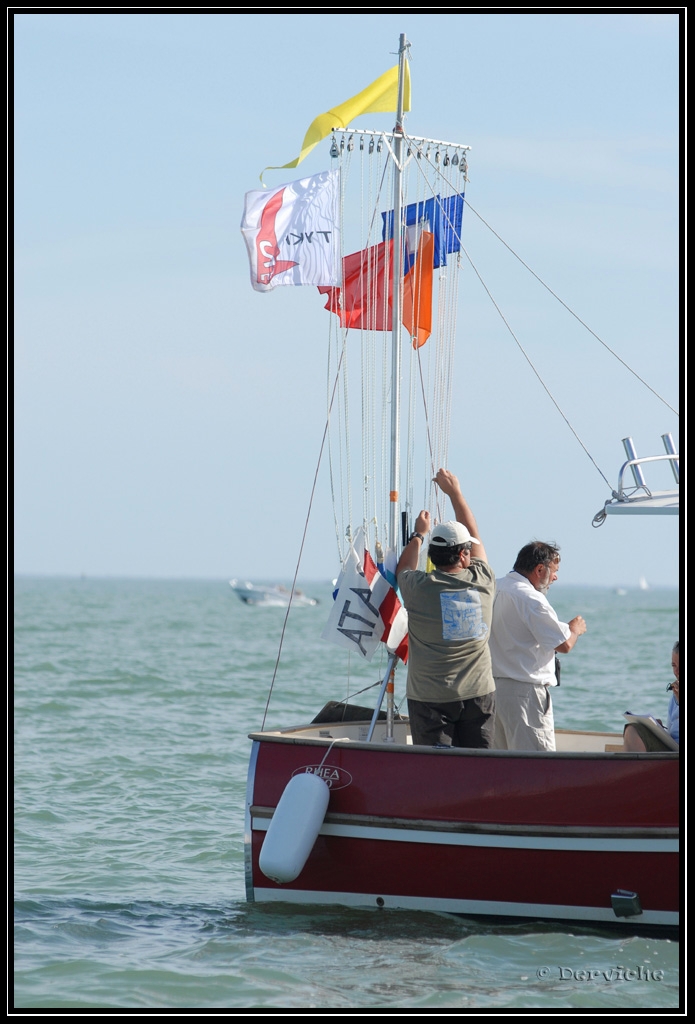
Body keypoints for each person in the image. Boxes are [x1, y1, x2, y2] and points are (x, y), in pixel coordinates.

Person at [396, 469, 496, 748]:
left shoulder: (418, 589)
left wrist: (418, 534)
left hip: (430, 697)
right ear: (464, 555)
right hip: (479, 694)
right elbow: (475, 535)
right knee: (479, 768)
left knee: (435, 771)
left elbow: (404, 567)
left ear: (432, 555)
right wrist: (454, 492)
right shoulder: (484, 580)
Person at [488, 541, 586, 751]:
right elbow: (564, 644)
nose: (555, 577)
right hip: (525, 694)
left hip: (492, 691)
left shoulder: (494, 587)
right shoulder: (532, 599)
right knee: (535, 766)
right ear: (539, 569)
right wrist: (575, 629)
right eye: (554, 571)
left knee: (500, 766)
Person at [623, 640, 680, 751]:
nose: (677, 671)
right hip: (672, 750)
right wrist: (658, 729)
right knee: (633, 730)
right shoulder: (675, 697)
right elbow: (672, 734)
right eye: (674, 665)